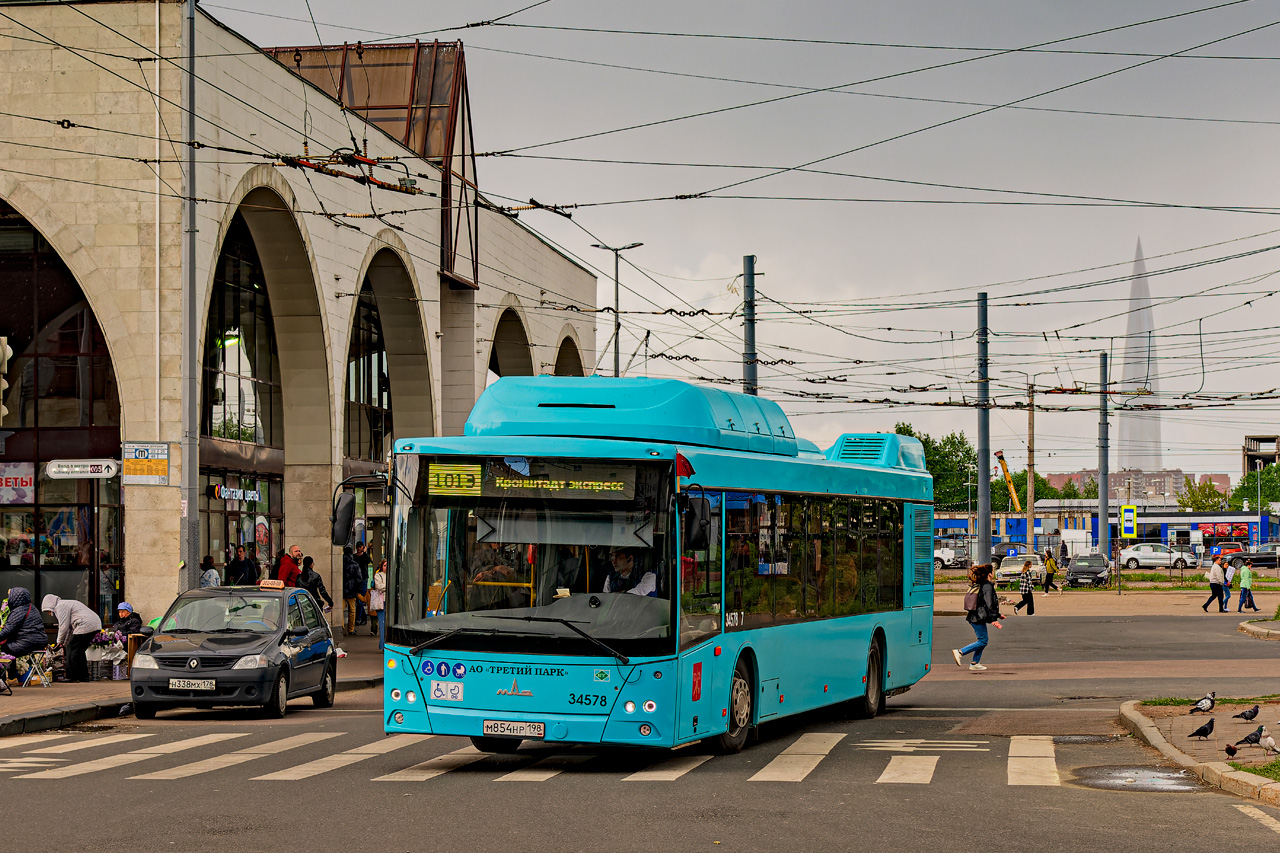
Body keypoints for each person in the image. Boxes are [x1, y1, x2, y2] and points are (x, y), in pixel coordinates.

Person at [952, 564, 1004, 672]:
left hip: (976, 616)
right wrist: (994, 619)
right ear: (989, 574)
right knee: (983, 640)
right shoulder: (987, 586)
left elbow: (984, 603)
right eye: (993, 571)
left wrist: (998, 615)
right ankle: (960, 652)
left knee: (982, 640)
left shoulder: (982, 584)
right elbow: (989, 604)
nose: (993, 573)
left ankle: (975, 663)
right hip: (978, 617)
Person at [40, 594, 102, 683]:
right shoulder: (66, 603)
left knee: (71, 649)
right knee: (79, 650)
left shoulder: (60, 606)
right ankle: (83, 676)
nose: (50, 614)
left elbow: (63, 626)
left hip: (85, 624)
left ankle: (72, 676)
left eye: (48, 611)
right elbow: (69, 629)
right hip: (94, 624)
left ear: (50, 605)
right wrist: (63, 643)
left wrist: (59, 641)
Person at [0, 588, 49, 668]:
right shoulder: (33, 608)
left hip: (28, 643)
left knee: (5, 648)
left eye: (10, 596)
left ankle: (10, 676)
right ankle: (13, 676)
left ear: (14, 597)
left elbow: (8, 630)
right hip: (41, 642)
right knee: (10, 646)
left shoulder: (18, 611)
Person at [341, 546, 366, 635]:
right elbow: (359, 579)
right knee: (352, 610)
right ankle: (351, 629)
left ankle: (341, 627)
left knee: (341, 609)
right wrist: (358, 590)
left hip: (341, 590)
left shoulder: (340, 563)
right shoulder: (355, 564)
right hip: (352, 590)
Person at [353, 542, 372, 627]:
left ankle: (358, 618)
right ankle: (362, 617)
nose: (359, 548)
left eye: (360, 547)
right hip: (356, 579)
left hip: (363, 579)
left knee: (361, 599)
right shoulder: (354, 557)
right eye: (358, 547)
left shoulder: (364, 556)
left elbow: (368, 561)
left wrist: (365, 552)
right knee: (358, 600)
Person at [369, 559, 387, 650]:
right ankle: (383, 645)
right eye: (384, 565)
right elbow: (379, 587)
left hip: (390, 601)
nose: (386, 567)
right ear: (381, 566)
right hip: (381, 601)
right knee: (382, 623)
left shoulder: (391, 574)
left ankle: (385, 644)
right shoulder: (378, 575)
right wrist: (389, 585)